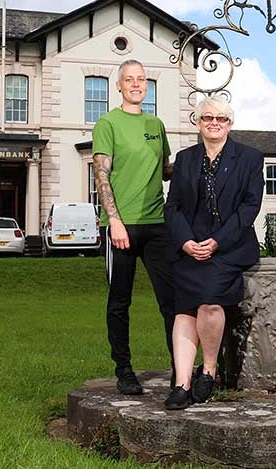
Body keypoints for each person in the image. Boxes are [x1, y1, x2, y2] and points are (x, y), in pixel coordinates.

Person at [163, 97, 264, 410]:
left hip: (228, 247)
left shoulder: (250, 157)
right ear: (198, 122)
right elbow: (173, 206)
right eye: (207, 118)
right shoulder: (185, 159)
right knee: (183, 309)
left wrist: (217, 242)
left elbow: (250, 207)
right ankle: (182, 383)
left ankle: (208, 369)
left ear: (230, 124)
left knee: (208, 302)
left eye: (221, 118)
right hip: (189, 246)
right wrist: (184, 242)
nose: (214, 123)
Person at [92, 59, 175, 395]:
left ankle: (180, 369)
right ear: (120, 86)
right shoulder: (107, 123)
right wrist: (115, 221)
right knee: (119, 301)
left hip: (157, 225)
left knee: (172, 300)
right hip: (120, 228)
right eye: (130, 79)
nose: (137, 84)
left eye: (142, 79)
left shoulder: (157, 124)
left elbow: (166, 170)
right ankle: (124, 370)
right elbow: (101, 174)